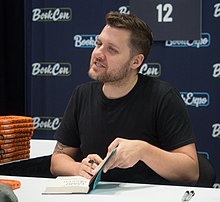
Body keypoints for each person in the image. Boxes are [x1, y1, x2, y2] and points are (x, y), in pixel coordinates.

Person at [50, 11, 199, 186]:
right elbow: (58, 160)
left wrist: (144, 151)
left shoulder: (163, 97)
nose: (98, 53)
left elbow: (191, 171)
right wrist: (77, 168)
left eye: (111, 49)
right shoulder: (82, 94)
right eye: (98, 44)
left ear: (136, 61)